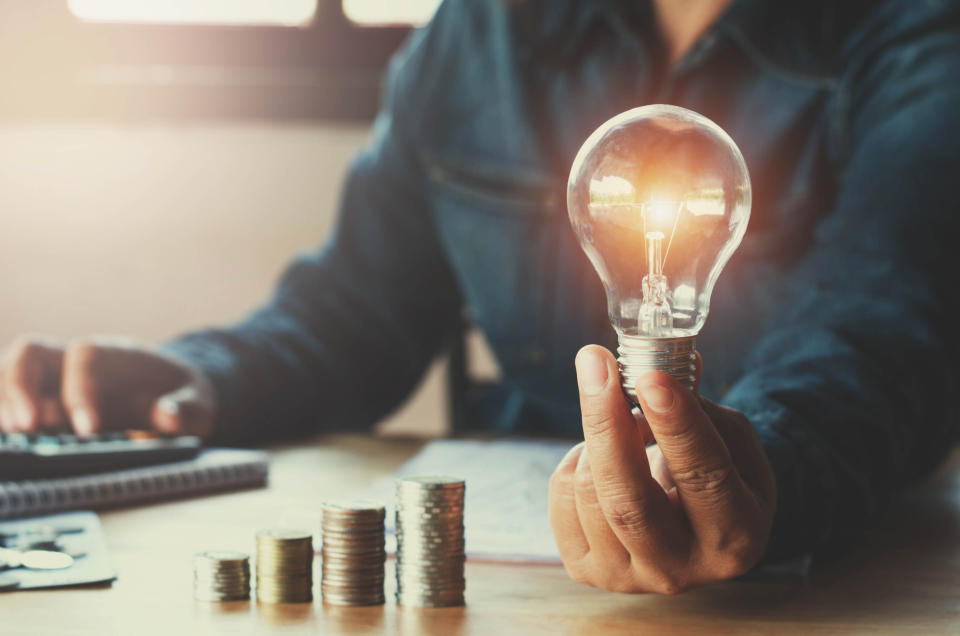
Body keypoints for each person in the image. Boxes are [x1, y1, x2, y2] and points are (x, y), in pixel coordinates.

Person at [1, 0, 958, 594]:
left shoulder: (919, 30)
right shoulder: (485, 26)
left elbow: (885, 332)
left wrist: (756, 472)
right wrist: (195, 379)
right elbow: (360, 311)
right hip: (513, 580)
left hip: (818, 577)